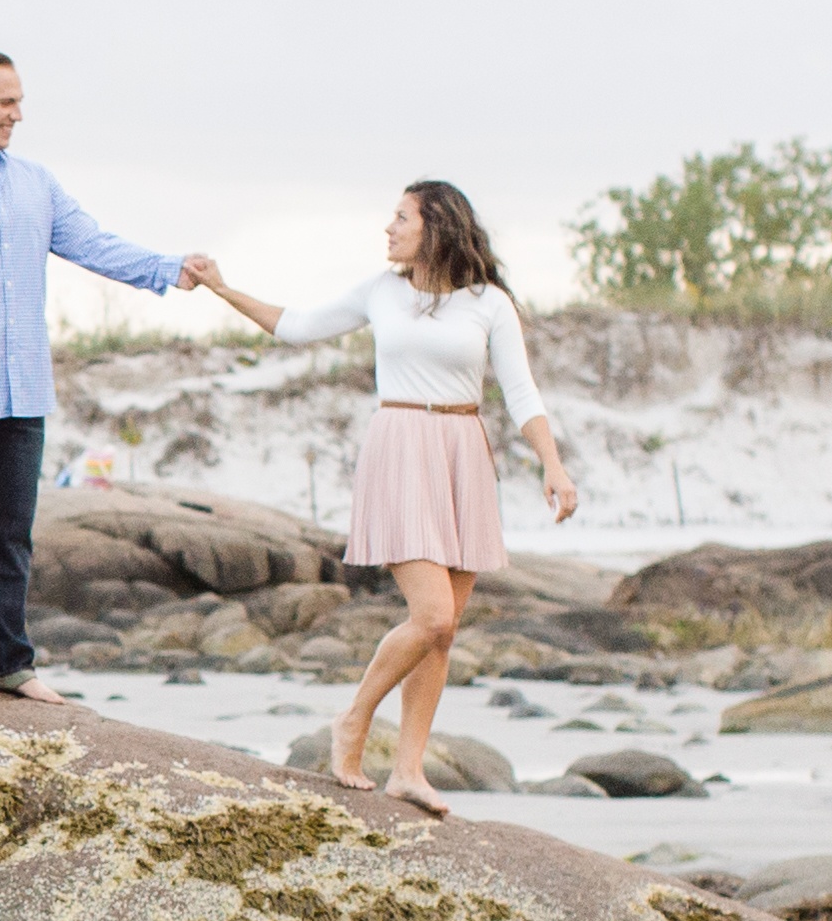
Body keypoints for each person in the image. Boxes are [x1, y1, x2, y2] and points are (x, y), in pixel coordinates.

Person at [196, 179, 576, 810]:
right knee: (432, 616)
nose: (389, 228)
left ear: (438, 226)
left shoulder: (488, 302)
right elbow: (294, 327)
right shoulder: (381, 291)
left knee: (443, 634)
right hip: (400, 444)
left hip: (463, 448)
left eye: (402, 218)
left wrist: (553, 466)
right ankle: (353, 721)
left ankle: (408, 770)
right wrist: (221, 286)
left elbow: (522, 390)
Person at [0, 51, 218, 711]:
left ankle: (6, 664)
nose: (17, 114)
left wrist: (167, 267)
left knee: (9, 532)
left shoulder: (34, 183)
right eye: (4, 102)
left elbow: (92, 243)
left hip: (20, 385)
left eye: (19, 101)